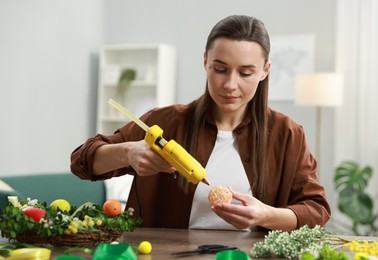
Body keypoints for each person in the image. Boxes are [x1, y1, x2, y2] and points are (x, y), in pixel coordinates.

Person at [71, 15, 331, 232]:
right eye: (220, 69)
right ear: (205, 61)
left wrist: (266, 216)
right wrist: (128, 152)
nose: (230, 85)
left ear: (265, 70)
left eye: (245, 73)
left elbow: (317, 209)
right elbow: (81, 161)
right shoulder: (162, 122)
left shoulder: (287, 134)